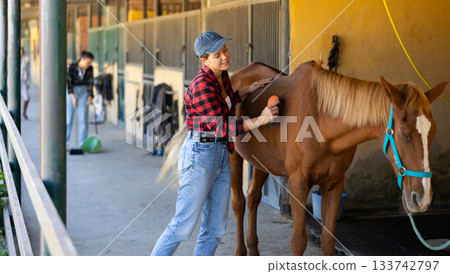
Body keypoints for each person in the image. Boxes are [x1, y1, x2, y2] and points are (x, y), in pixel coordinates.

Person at [151, 31, 279, 256]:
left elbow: (227, 101)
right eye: (217, 55)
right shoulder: (202, 85)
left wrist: (249, 89)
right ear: (204, 60)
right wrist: (262, 119)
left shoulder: (222, 76)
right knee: (182, 227)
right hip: (200, 154)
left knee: (215, 230)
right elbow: (223, 126)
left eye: (225, 51)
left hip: (220, 153)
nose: (224, 57)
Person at [66, 51, 94, 148]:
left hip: (83, 93)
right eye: (88, 62)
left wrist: (90, 97)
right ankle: (65, 144)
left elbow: (91, 83)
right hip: (72, 93)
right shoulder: (71, 67)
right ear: (82, 59)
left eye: (90, 63)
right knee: (69, 119)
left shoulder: (90, 69)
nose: (89, 65)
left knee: (83, 119)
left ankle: (83, 143)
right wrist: (73, 98)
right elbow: (69, 84)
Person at [20, 47, 30, 119]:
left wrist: (27, 83)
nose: (21, 53)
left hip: (23, 82)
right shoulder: (12, 60)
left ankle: (24, 112)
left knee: (26, 98)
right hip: (15, 83)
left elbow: (27, 72)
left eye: (22, 51)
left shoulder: (25, 61)